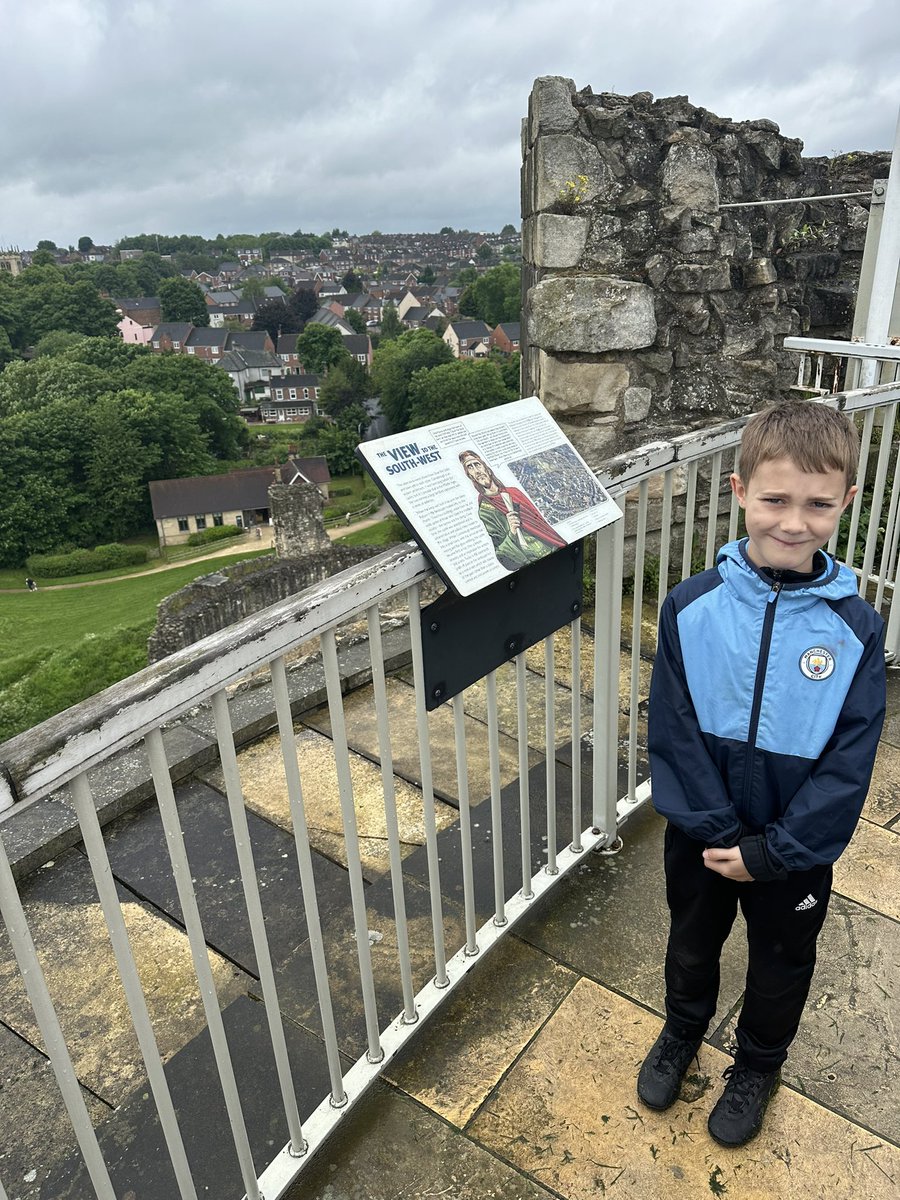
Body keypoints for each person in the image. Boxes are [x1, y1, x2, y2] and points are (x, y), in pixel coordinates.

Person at [637, 400, 886, 1148]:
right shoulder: (691, 606)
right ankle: (683, 1031)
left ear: (845, 503)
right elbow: (673, 732)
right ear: (741, 491)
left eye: (817, 505)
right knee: (691, 940)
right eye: (775, 499)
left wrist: (773, 852)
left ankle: (758, 1065)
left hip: (793, 851)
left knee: (782, 961)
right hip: (703, 838)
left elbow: (850, 759)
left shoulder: (855, 628)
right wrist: (718, 835)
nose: (794, 522)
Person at [459, 449, 565, 570]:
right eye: (470, 468)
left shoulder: (514, 492)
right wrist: (512, 531)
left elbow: (540, 522)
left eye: (477, 464)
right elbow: (500, 552)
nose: (477, 471)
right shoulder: (485, 510)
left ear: (486, 468)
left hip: (552, 547)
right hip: (531, 560)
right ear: (470, 476)